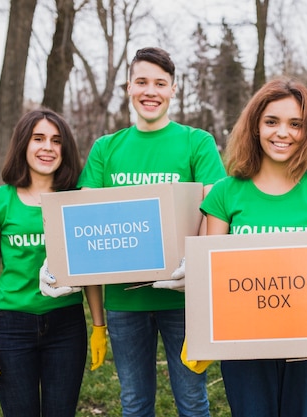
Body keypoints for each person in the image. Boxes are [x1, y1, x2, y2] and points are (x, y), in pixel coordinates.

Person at [197, 77, 307, 417]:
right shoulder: (224, 193)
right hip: (244, 342)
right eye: (272, 122)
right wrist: (200, 328)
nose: (283, 133)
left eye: (295, 124)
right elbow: (212, 275)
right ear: (255, 126)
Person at [75, 47, 226, 417]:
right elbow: (83, 219)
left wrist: (197, 267)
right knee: (134, 402)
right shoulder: (106, 149)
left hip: (183, 300)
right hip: (126, 303)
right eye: (142, 82)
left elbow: (216, 210)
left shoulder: (197, 142)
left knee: (192, 401)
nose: (150, 91)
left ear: (173, 89)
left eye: (160, 83)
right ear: (129, 87)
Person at [0, 109, 107, 417]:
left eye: (56, 141)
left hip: (66, 325)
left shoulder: (74, 199)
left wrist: (99, 325)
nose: (48, 147)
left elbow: (89, 270)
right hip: (10, 326)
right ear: (23, 144)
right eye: (39, 138)